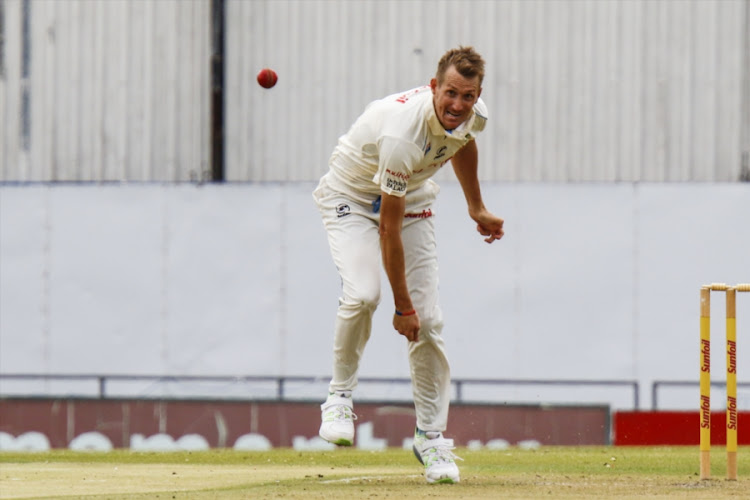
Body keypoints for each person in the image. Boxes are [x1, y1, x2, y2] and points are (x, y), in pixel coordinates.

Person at [312, 46, 504, 484]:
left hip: (411, 196)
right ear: (434, 87)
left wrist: (476, 207)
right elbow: (388, 230)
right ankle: (339, 396)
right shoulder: (403, 135)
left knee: (431, 321)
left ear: (478, 95)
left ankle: (430, 437)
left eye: (468, 96)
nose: (458, 105)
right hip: (354, 197)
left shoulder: (475, 115)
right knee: (365, 295)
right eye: (450, 93)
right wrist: (402, 307)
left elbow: (463, 143)